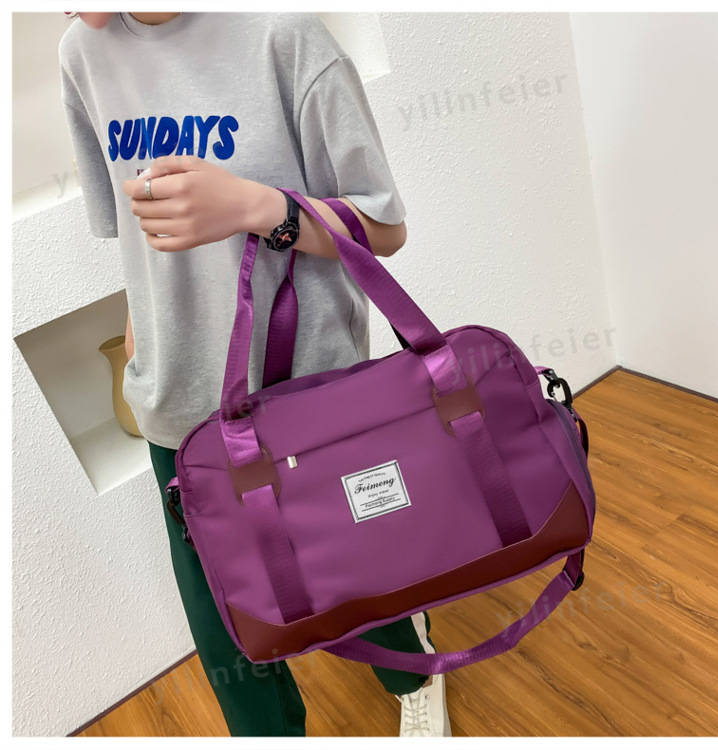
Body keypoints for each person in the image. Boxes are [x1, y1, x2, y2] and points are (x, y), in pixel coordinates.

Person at [58, 11, 451, 737]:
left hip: (311, 391)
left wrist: (255, 206)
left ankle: (413, 675)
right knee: (225, 618)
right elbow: (133, 239)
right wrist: (144, 352)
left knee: (362, 567)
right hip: (176, 402)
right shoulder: (82, 51)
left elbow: (383, 229)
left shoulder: (284, 33)